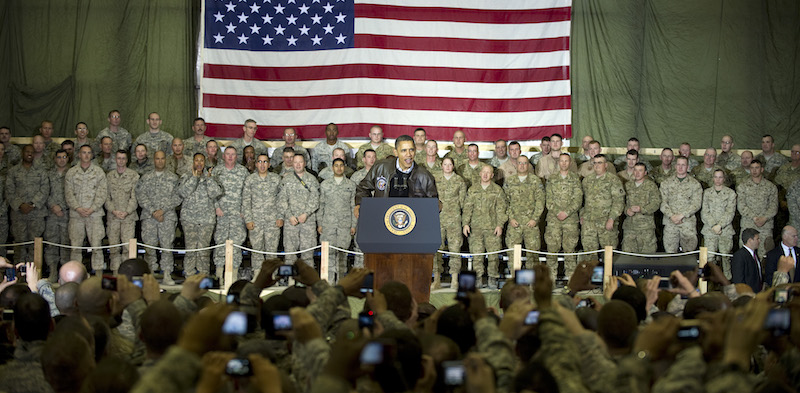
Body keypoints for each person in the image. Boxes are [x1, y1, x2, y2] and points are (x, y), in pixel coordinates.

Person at [354, 135, 438, 210]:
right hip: (382, 217)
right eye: (404, 150)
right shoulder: (381, 167)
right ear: (395, 152)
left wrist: (438, 205)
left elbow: (433, 203)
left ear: (415, 150)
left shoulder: (424, 175)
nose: (408, 154)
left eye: (411, 150)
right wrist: (360, 204)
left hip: (411, 222)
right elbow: (363, 188)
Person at [136, 151, 181, 284]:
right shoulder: (145, 177)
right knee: (149, 248)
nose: (160, 161)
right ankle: (150, 275)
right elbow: (141, 196)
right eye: (157, 158)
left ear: (165, 160)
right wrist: (153, 211)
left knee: (167, 246)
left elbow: (178, 197)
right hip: (149, 217)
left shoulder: (173, 178)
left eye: (162, 158)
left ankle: (167, 274)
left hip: (167, 217)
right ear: (153, 160)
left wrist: (162, 211)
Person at [463, 165, 507, 288]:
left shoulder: (497, 190)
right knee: (477, 255)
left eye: (489, 173)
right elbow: (467, 208)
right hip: (475, 228)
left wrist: (500, 225)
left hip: (492, 228)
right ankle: (478, 279)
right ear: (480, 173)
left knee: (493, 256)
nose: (486, 175)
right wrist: (465, 223)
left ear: (492, 175)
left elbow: (501, 209)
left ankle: (492, 278)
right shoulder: (472, 190)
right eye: (484, 172)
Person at [65, 145, 107, 272]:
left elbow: (102, 192)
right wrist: (78, 208)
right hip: (76, 215)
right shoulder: (71, 172)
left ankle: (98, 274)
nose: (86, 155)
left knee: (97, 246)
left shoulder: (99, 172)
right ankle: (74, 274)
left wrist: (92, 208)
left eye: (89, 153)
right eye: (84, 152)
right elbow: (68, 193)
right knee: (75, 247)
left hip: (94, 215)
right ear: (79, 154)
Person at [178, 153, 222, 276]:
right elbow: (183, 193)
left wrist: (208, 178)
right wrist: (194, 178)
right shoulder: (186, 176)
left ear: (205, 162)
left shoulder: (210, 177)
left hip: (206, 219)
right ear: (192, 162)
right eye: (196, 160)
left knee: (204, 250)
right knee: (190, 249)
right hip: (189, 219)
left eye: (201, 161)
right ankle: (189, 274)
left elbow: (216, 193)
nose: (199, 163)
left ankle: (203, 275)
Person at [7, 145, 49, 264]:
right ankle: (19, 274)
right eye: (27, 152)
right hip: (18, 215)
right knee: (19, 245)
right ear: (22, 153)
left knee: (34, 246)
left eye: (32, 152)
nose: (29, 154)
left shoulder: (41, 171)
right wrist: (20, 205)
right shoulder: (13, 171)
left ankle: (34, 272)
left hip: (36, 214)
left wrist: (33, 204)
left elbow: (45, 189)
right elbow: (9, 190)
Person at [243, 154, 283, 278]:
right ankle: (257, 275)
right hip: (256, 221)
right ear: (256, 164)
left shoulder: (276, 179)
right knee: (256, 250)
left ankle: (272, 276)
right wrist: (248, 219)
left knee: (272, 250)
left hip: (272, 221)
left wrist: (280, 217)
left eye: (265, 162)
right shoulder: (250, 179)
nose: (262, 164)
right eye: (259, 161)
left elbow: (281, 200)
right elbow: (246, 200)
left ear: (269, 164)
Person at [212, 146, 249, 280]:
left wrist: (244, 210)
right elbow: (211, 191)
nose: (230, 157)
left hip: (237, 215)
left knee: (236, 244)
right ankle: (219, 275)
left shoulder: (243, 171)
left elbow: (247, 193)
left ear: (237, 156)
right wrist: (216, 207)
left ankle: (233, 276)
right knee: (220, 243)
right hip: (221, 214)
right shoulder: (217, 171)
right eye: (228, 154)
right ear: (223, 156)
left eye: (233, 154)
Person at [545, 153, 583, 282]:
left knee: (570, 249)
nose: (564, 163)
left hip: (571, 220)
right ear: (558, 162)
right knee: (552, 249)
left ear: (570, 162)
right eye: (561, 161)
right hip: (553, 220)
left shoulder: (575, 178)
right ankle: (551, 279)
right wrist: (557, 212)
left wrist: (567, 212)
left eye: (566, 161)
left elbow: (578, 199)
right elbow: (548, 198)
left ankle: (571, 279)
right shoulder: (552, 178)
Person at [318, 158, 357, 282]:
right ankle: (327, 283)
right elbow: (321, 205)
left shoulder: (351, 185)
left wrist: (353, 225)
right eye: (336, 165)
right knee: (328, 254)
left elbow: (353, 206)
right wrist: (319, 224)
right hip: (328, 224)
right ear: (332, 168)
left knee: (342, 255)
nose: (339, 168)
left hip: (344, 226)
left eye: (341, 165)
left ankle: (341, 283)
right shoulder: (325, 185)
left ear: (344, 167)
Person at [580, 154, 624, 259]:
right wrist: (582, 215)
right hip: (589, 223)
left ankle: (608, 276)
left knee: (608, 255)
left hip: (606, 222)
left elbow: (619, 201)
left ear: (606, 165)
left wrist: (612, 218)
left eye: (600, 163)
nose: (597, 165)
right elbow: (582, 201)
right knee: (589, 254)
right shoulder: (587, 180)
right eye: (594, 163)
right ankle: (592, 275)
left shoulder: (613, 180)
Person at [504, 155, 544, 268]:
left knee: (532, 254)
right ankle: (514, 281)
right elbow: (505, 202)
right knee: (513, 255)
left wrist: (535, 219)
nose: (522, 166)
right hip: (514, 223)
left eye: (524, 163)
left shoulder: (535, 181)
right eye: (520, 163)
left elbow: (540, 202)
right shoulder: (510, 181)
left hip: (530, 223)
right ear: (516, 165)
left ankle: (531, 283)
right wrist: (510, 218)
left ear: (528, 165)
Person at [432, 156, 467, 289]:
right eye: (445, 164)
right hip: (438, 219)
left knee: (455, 249)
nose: (447, 167)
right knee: (437, 249)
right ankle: (437, 279)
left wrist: (464, 221)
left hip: (454, 219)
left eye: (449, 164)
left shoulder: (459, 181)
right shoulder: (435, 179)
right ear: (441, 166)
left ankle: (454, 279)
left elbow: (463, 202)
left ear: (453, 166)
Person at [279, 154, 320, 265]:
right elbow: (281, 200)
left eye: (300, 162)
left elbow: (315, 199)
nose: (298, 165)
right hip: (291, 222)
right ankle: (291, 279)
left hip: (308, 222)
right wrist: (289, 216)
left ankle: (307, 280)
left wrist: (306, 214)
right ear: (292, 163)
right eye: (295, 162)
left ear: (305, 163)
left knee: (307, 255)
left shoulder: (311, 179)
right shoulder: (286, 180)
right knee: (290, 254)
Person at [659, 156, 703, 253]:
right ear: (675, 166)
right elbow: (662, 202)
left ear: (688, 167)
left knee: (688, 255)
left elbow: (696, 204)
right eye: (678, 164)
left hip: (687, 223)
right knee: (670, 254)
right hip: (670, 223)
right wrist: (672, 216)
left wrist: (681, 215)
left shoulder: (695, 184)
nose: (680, 167)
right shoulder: (666, 183)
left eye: (683, 165)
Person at [106, 150, 140, 272]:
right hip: (113, 217)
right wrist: (114, 211)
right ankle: (115, 272)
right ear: (115, 159)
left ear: (127, 160)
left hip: (128, 218)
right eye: (119, 158)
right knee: (114, 247)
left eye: (123, 158)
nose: (121, 161)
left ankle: (127, 273)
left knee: (127, 247)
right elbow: (106, 197)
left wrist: (126, 211)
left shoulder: (134, 175)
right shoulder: (109, 176)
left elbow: (135, 197)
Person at [737, 159, 778, 258]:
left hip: (765, 227)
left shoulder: (770, 187)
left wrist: (765, 218)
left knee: (765, 256)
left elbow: (774, 206)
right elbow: (741, 205)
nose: (754, 170)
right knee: (746, 256)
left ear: (762, 169)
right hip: (748, 224)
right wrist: (754, 217)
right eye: (752, 168)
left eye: (757, 168)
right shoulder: (742, 186)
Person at [701, 169, 737, 277]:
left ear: (724, 179)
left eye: (720, 177)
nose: (718, 179)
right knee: (710, 258)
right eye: (716, 177)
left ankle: (727, 282)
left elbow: (730, 212)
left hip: (725, 231)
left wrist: (720, 225)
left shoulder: (731, 193)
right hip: (709, 230)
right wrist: (713, 225)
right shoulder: (707, 193)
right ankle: (709, 282)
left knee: (726, 258)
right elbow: (704, 212)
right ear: (712, 178)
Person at [621, 163, 661, 253]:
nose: (637, 173)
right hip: (630, 227)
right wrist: (626, 210)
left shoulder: (651, 186)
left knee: (646, 257)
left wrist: (642, 209)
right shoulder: (627, 186)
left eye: (640, 170)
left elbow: (656, 203)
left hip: (646, 227)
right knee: (628, 257)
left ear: (645, 172)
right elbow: (620, 203)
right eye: (635, 170)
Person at [44, 150, 70, 280]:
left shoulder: (71, 173)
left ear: (68, 158)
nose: (61, 160)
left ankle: (64, 273)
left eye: (64, 157)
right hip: (51, 214)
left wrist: (63, 207)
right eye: (59, 157)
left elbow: (74, 194)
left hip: (67, 213)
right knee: (52, 243)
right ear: (55, 159)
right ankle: (53, 271)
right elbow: (44, 192)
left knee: (65, 243)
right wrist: (53, 206)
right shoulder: (48, 174)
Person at [730, 227, 763, 293]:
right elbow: (738, 279)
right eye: (757, 239)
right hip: (747, 295)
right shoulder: (739, 255)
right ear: (750, 240)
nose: (759, 241)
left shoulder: (755, 255)